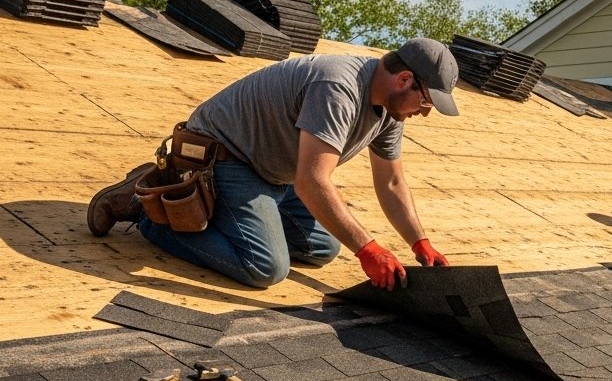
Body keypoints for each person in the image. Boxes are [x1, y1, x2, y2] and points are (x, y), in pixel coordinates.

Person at [86, 37, 459, 291]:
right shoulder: (339, 88)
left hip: (273, 172)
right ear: (404, 79)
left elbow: (391, 183)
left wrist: (419, 243)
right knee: (265, 267)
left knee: (323, 250)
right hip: (223, 156)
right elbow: (313, 182)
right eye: (427, 102)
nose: (426, 113)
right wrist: (370, 251)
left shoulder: (391, 113)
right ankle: (150, 210)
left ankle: (217, 214)